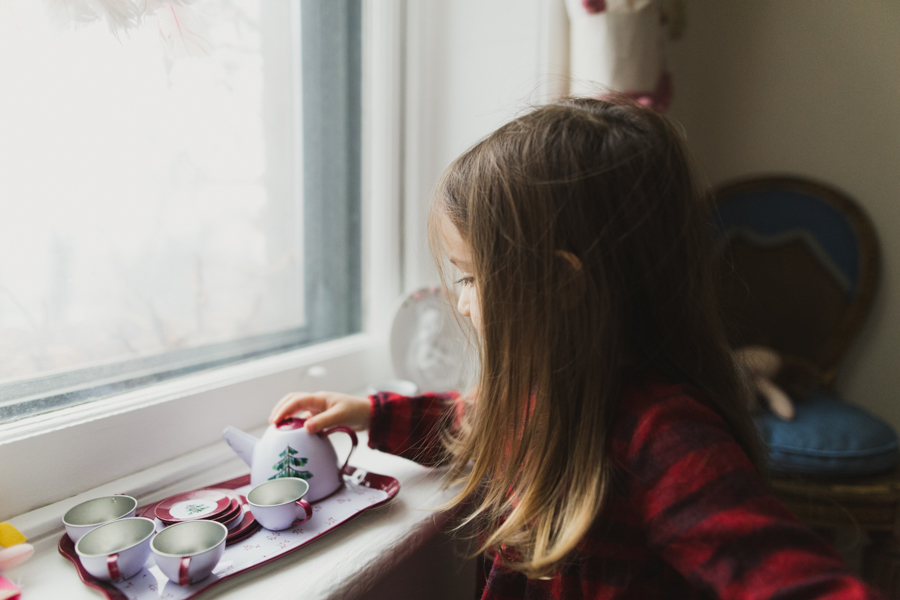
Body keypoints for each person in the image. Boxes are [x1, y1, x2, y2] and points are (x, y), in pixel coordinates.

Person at [269, 98, 883, 599]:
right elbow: (470, 418)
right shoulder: (540, 396)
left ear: (561, 284)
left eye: (472, 277)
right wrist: (370, 413)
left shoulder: (664, 435)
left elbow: (782, 573)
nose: (461, 301)